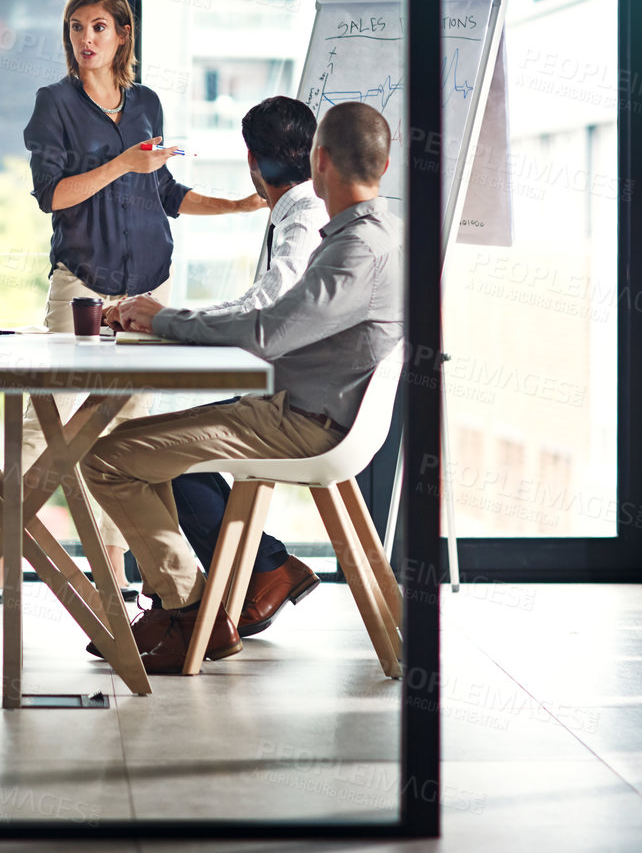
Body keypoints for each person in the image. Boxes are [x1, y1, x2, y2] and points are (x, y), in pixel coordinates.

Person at [82, 101, 403, 674]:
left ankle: (191, 609)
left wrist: (161, 319)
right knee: (142, 444)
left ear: (319, 159)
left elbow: (268, 330)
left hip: (302, 420)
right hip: (312, 410)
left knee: (108, 457)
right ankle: (193, 601)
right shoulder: (385, 235)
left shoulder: (354, 250)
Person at [0, 0, 265, 606]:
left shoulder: (146, 104)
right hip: (81, 286)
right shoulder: (53, 104)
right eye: (77, 28)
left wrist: (240, 204)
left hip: (148, 293)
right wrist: (119, 165)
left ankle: (113, 575)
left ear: (123, 34)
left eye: (98, 27)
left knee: (122, 431)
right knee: (40, 422)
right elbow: (53, 195)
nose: (86, 39)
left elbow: (166, 193)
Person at [103, 95, 325, 639]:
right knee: (168, 440)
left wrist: (165, 317)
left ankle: (192, 603)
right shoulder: (302, 209)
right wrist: (167, 317)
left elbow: (264, 306)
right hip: (302, 395)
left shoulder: (302, 217)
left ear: (253, 161)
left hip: (296, 406)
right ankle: (259, 570)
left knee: (139, 452)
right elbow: (262, 303)